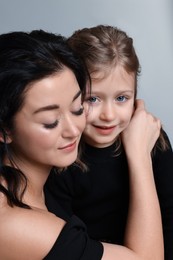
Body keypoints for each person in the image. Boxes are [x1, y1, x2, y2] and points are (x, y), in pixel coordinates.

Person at [0, 29, 163, 260]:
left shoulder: (36, 190)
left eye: (78, 108)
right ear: (4, 129)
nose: (74, 130)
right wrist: (139, 154)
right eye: (50, 121)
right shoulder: (14, 224)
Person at [45, 25, 173, 259]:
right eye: (92, 98)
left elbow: (170, 219)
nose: (109, 115)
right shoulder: (62, 158)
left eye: (122, 98)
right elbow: (68, 243)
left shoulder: (153, 140)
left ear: (135, 96)